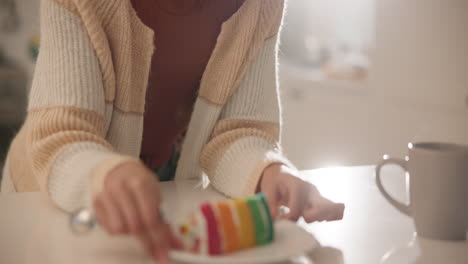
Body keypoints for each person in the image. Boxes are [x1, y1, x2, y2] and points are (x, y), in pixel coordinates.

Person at [1, 0, 344, 262]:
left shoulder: (259, 6)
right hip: (47, 202)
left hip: (172, 196)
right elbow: (62, 137)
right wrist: (106, 176)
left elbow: (239, 133)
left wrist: (269, 170)